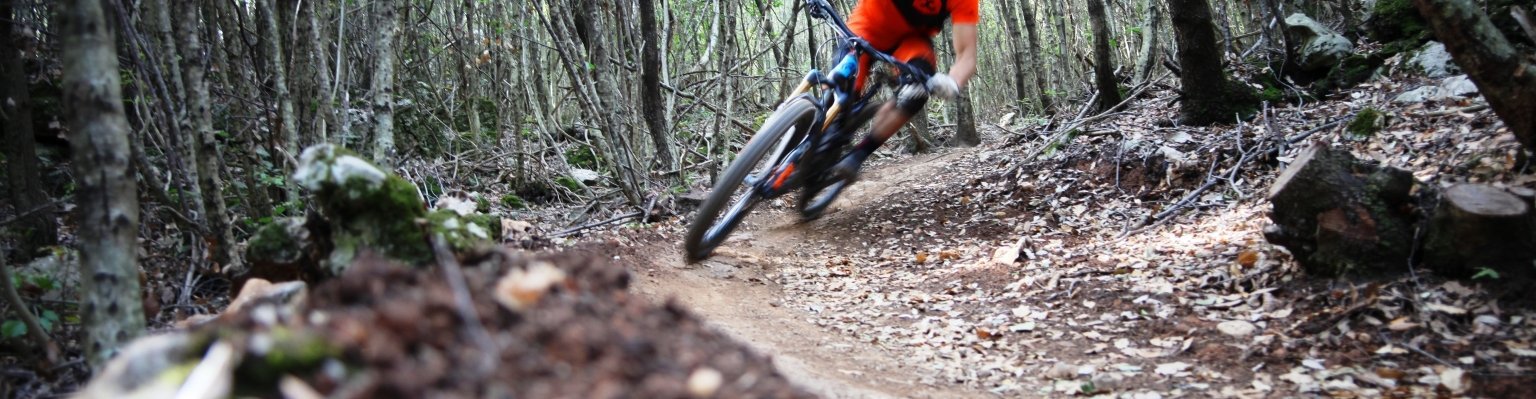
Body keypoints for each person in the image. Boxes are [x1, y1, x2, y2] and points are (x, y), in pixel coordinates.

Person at [831, 0, 978, 181]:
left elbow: (967, 55)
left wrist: (953, 82)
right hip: (867, 27)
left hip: (911, 42)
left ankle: (858, 155)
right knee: (842, 89)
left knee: (916, 93)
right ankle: (817, 131)